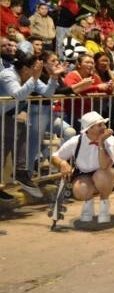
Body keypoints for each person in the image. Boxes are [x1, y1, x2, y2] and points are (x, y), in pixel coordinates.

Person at [0, 52, 61, 197]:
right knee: (2, 150)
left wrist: (53, 77)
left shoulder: (31, 76)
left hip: (9, 115)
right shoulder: (7, 75)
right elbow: (18, 94)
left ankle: (21, 173)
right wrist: (34, 77)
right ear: (26, 68)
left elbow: (47, 93)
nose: (38, 70)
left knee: (21, 139)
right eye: (35, 68)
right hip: (4, 115)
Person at [50, 111, 114, 223]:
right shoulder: (76, 141)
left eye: (103, 124)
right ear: (89, 129)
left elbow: (104, 165)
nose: (104, 127)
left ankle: (104, 203)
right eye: (99, 125)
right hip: (85, 174)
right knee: (79, 189)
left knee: (101, 175)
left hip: (108, 172)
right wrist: (62, 163)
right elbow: (55, 156)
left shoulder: (110, 140)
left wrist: (101, 143)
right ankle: (88, 203)